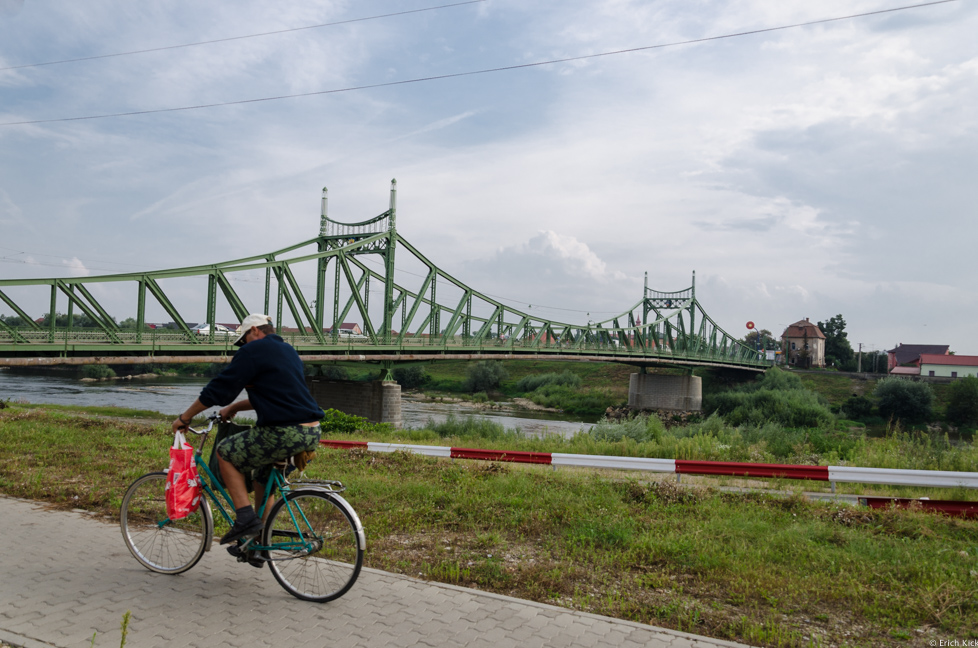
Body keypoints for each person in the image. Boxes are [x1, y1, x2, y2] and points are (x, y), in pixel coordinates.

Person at [172, 314, 324, 546]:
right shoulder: (287, 351)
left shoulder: (253, 350)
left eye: (243, 340)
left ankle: (245, 519)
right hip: (311, 431)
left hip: (285, 432)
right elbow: (276, 394)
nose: (242, 346)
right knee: (263, 481)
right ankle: (258, 545)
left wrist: (185, 417)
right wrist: (234, 407)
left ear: (254, 330)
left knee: (225, 452)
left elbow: (219, 390)